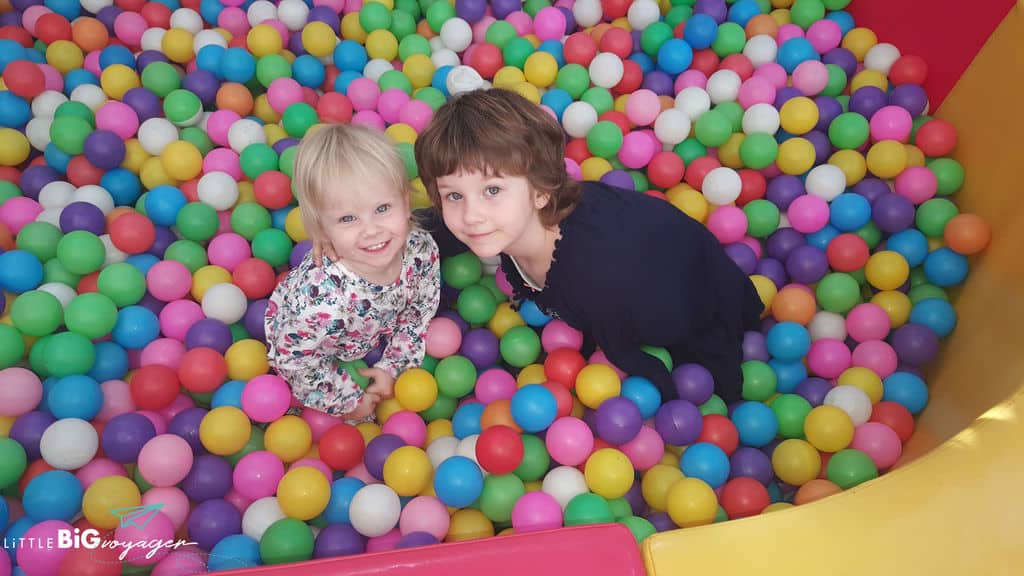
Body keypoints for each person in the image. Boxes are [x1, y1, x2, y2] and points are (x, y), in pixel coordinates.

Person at [411, 88, 765, 404]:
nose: (471, 215)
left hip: (693, 298)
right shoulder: (504, 221)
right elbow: (437, 227)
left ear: (540, 191)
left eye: (492, 191)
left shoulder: (595, 280)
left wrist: (694, 399)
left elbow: (630, 353)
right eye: (454, 195)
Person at [264, 123, 441, 422]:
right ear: (321, 230)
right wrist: (346, 400)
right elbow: (294, 361)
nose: (371, 231)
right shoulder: (320, 305)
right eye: (348, 218)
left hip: (372, 331)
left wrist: (393, 365)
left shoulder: (419, 249)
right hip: (311, 342)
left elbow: (419, 309)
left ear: (406, 202)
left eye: (383, 208)